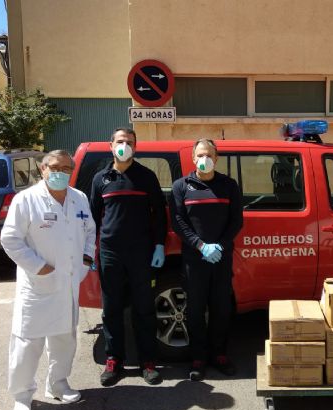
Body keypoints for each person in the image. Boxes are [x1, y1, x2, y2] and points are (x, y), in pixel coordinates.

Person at [0, 150, 96, 410]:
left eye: (66, 168)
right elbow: (10, 239)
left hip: (68, 284)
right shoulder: (26, 200)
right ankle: (22, 395)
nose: (60, 173)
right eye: (55, 167)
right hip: (37, 286)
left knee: (65, 338)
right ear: (42, 169)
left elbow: (90, 231)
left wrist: (86, 261)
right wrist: (38, 266)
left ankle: (58, 383)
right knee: (28, 342)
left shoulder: (79, 198)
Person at [90, 128, 167, 387]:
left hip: (141, 253)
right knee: (111, 309)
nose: (124, 145)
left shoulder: (146, 177)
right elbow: (92, 218)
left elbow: (159, 213)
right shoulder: (101, 178)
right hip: (110, 252)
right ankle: (114, 360)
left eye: (129, 142)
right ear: (110, 145)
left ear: (136, 146)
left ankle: (148, 362)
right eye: (120, 141)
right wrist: (90, 250)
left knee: (144, 308)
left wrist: (159, 245)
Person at [170, 138, 243, 381]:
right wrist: (200, 245)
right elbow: (178, 221)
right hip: (194, 258)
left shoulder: (228, 185)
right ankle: (198, 358)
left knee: (221, 308)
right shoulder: (181, 186)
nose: (205, 160)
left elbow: (236, 220)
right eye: (200, 155)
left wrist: (219, 246)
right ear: (193, 158)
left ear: (216, 158)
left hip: (221, 257)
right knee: (195, 309)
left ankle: (219, 355)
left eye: (209, 155)